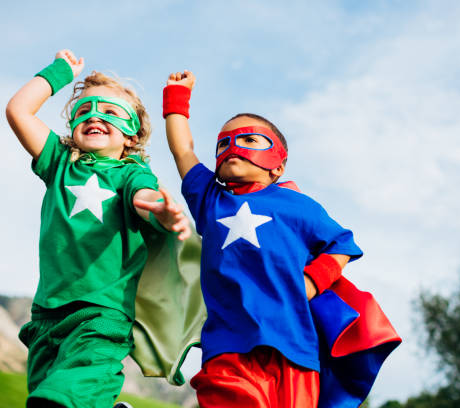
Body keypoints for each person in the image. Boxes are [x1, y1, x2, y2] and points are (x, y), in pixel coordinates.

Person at [153, 70, 366, 408]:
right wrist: (177, 97)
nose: (233, 146)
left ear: (277, 166)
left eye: (249, 139)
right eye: (223, 143)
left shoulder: (298, 206)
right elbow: (183, 150)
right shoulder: (211, 199)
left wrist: (313, 280)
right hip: (229, 346)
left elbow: (342, 243)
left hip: (295, 352)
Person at [5, 49, 191, 408]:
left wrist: (161, 212)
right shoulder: (59, 163)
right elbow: (18, 110)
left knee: (57, 399)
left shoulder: (131, 173)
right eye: (83, 111)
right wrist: (59, 73)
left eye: (109, 112)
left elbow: (144, 197)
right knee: (51, 395)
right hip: (46, 317)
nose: (94, 116)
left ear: (132, 136)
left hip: (101, 314)